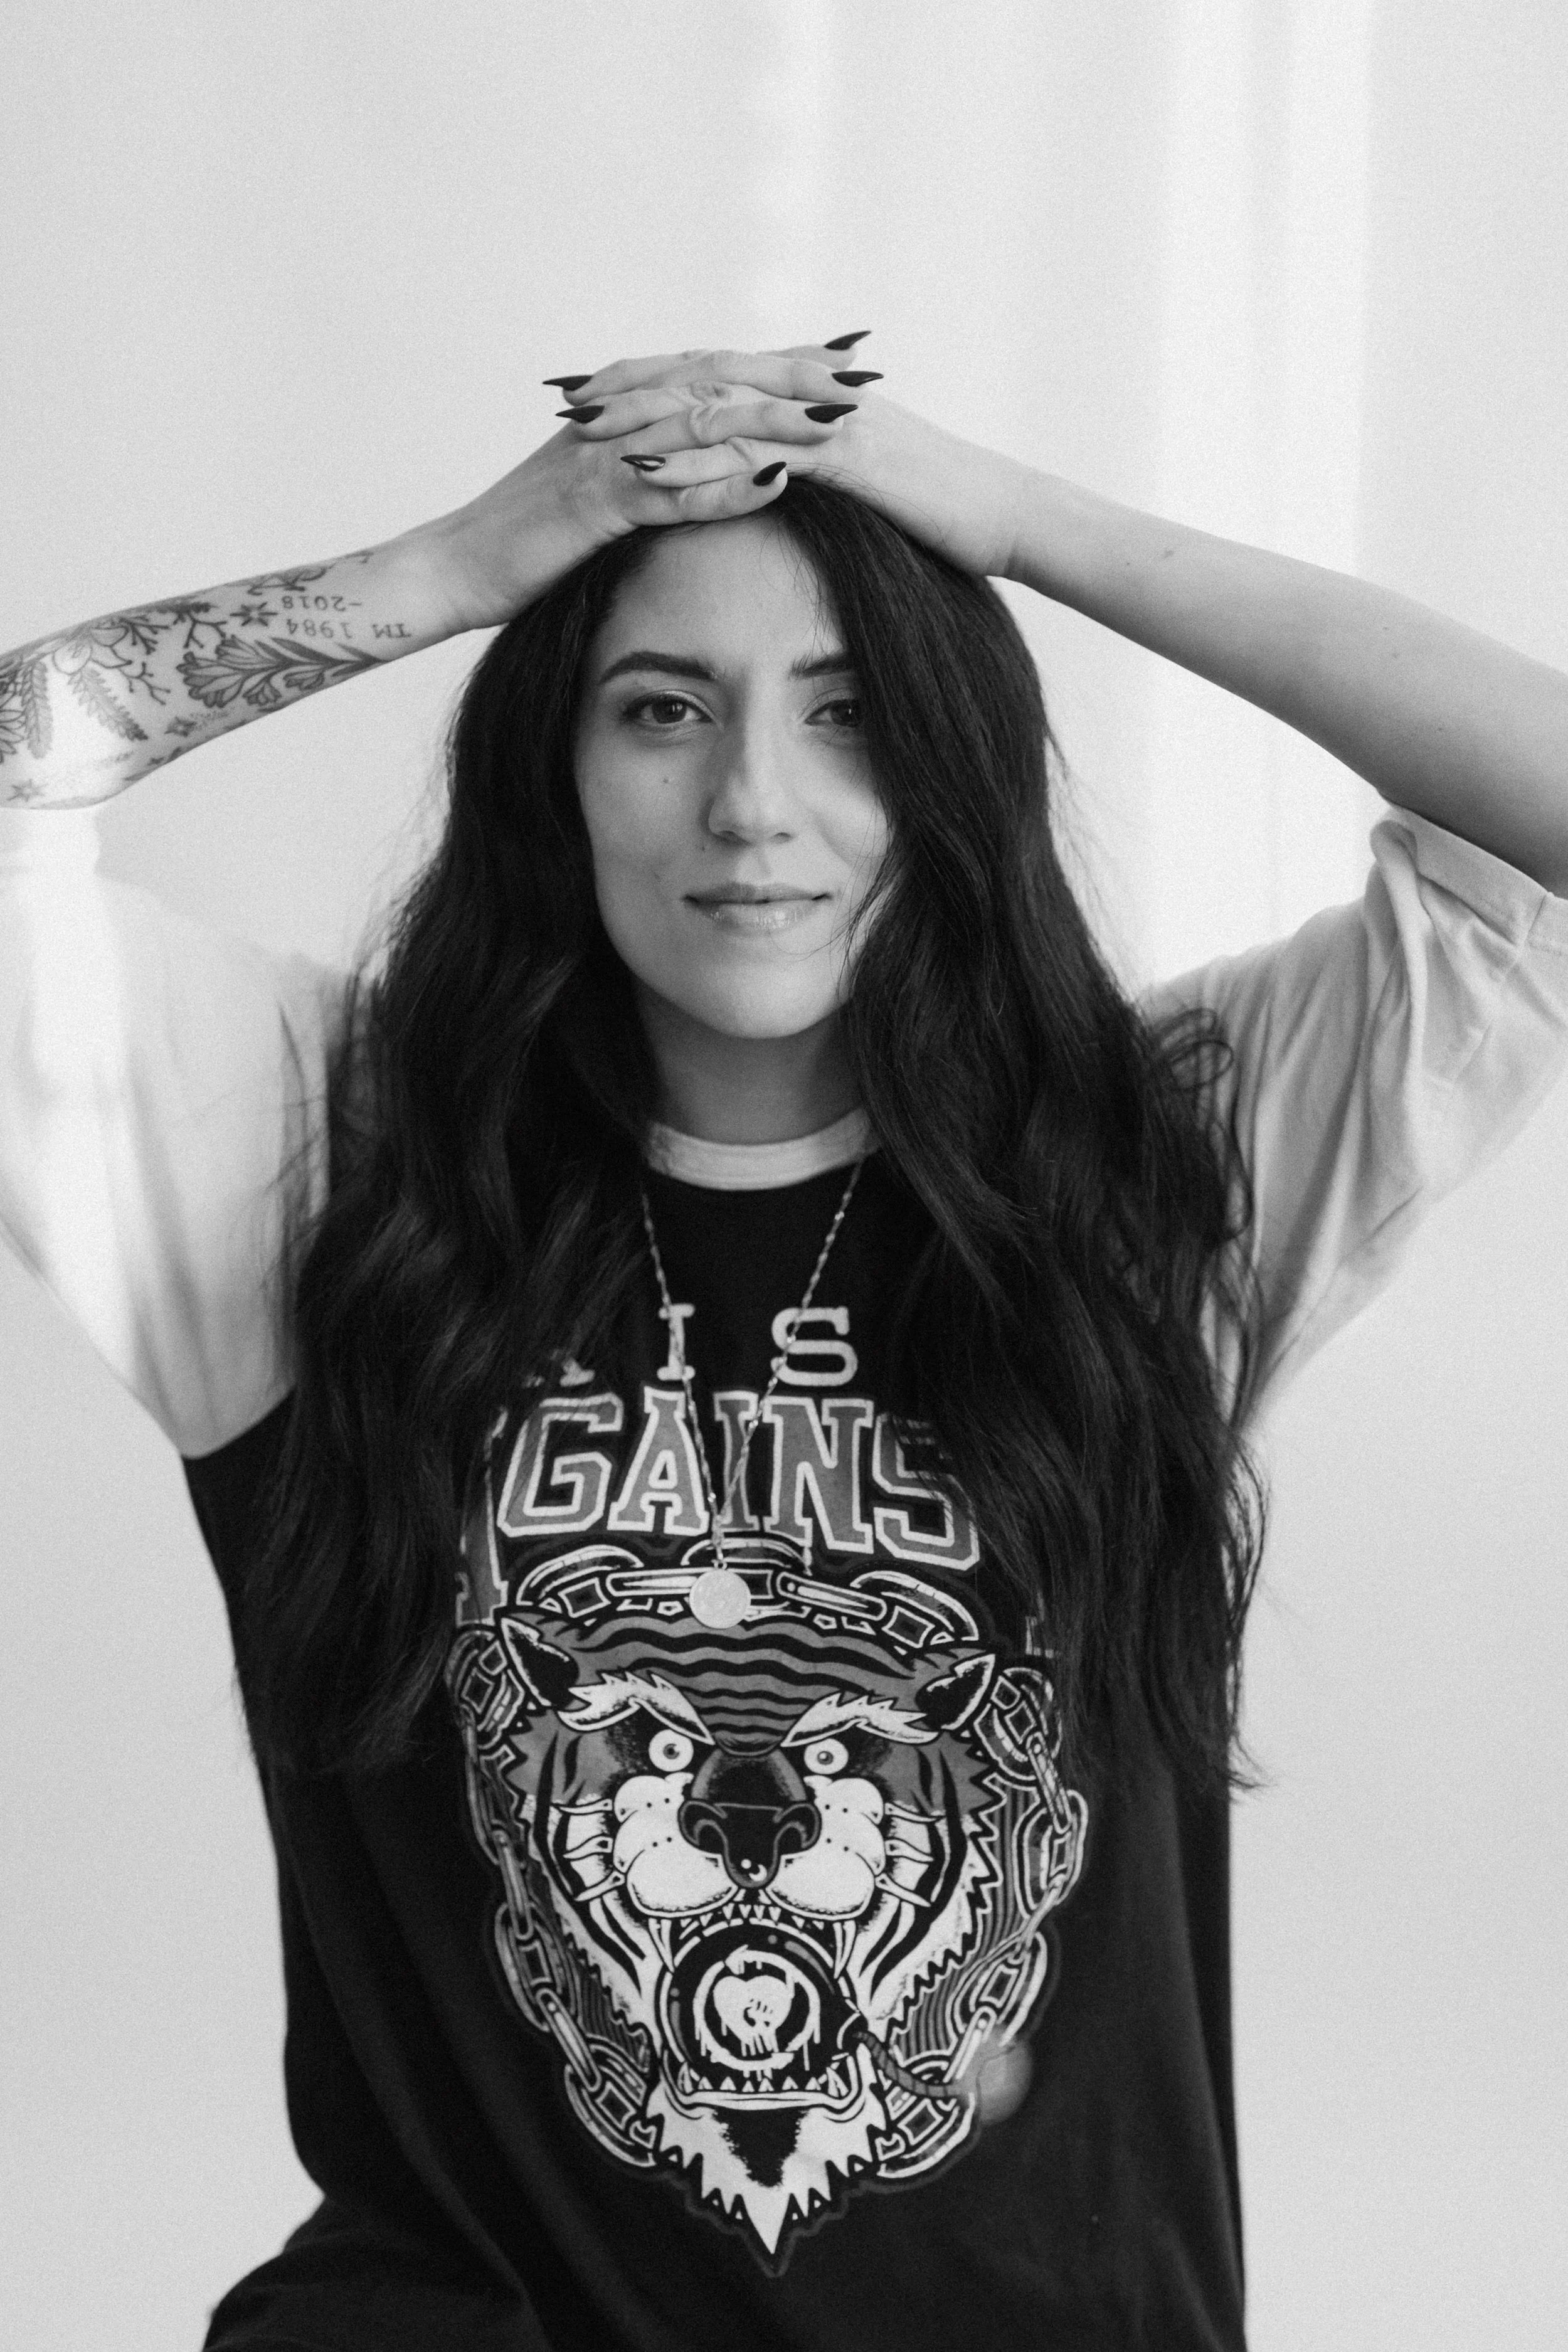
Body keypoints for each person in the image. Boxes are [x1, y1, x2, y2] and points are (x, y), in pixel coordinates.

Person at [3, 337, 1567, 2351]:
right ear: (548, 771)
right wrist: (454, 570)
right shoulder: (318, 1160)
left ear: (955, 773)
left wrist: (1023, 527)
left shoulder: (1149, 1164)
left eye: (851, 716)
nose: (755, 805)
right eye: (660, 711)